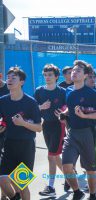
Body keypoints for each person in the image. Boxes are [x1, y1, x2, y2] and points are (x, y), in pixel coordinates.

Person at [60, 60, 96, 200]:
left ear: (85, 75)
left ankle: (92, 195)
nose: (74, 72)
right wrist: (65, 113)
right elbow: (71, 107)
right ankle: (77, 192)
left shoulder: (91, 93)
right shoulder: (68, 91)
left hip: (88, 133)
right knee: (66, 166)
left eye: (78, 71)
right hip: (72, 133)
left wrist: (85, 115)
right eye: (73, 70)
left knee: (90, 169)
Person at [0, 67, 42, 200]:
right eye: (8, 77)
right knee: (2, 179)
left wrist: (23, 123)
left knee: (21, 184)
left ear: (22, 82)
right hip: (9, 145)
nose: (9, 80)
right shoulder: (2, 101)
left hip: (26, 146)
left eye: (14, 78)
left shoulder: (30, 102)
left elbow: (39, 127)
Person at [34, 64, 66, 197]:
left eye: (50, 75)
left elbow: (68, 106)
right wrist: (41, 107)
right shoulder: (39, 91)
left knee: (51, 156)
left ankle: (51, 187)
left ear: (56, 76)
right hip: (46, 125)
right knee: (55, 156)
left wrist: (63, 111)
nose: (47, 77)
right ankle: (70, 176)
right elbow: (32, 108)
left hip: (58, 126)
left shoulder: (62, 92)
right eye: (45, 75)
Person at [0, 72, 10, 200]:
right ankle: (3, 194)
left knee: (18, 166)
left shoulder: (10, 88)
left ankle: (22, 193)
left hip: (14, 135)